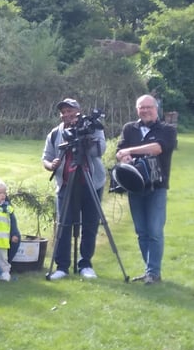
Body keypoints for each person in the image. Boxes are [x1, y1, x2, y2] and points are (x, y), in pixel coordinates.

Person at [116, 94, 177, 285]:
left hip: (157, 187)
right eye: (141, 107)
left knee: (155, 231)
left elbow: (158, 148)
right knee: (141, 231)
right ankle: (149, 271)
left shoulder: (167, 129)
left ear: (156, 108)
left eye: (148, 107)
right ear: (137, 110)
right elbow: (120, 150)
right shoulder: (129, 128)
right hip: (134, 186)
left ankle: (153, 272)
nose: (145, 110)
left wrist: (130, 151)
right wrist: (123, 157)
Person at [42, 98, 106, 280]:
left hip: (91, 183)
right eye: (63, 112)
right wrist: (50, 165)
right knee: (63, 225)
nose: (66, 115)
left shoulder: (92, 127)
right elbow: (46, 158)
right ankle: (62, 267)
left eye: (70, 110)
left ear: (78, 110)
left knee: (90, 224)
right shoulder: (55, 134)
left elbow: (99, 151)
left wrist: (85, 138)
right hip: (66, 184)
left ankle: (85, 264)